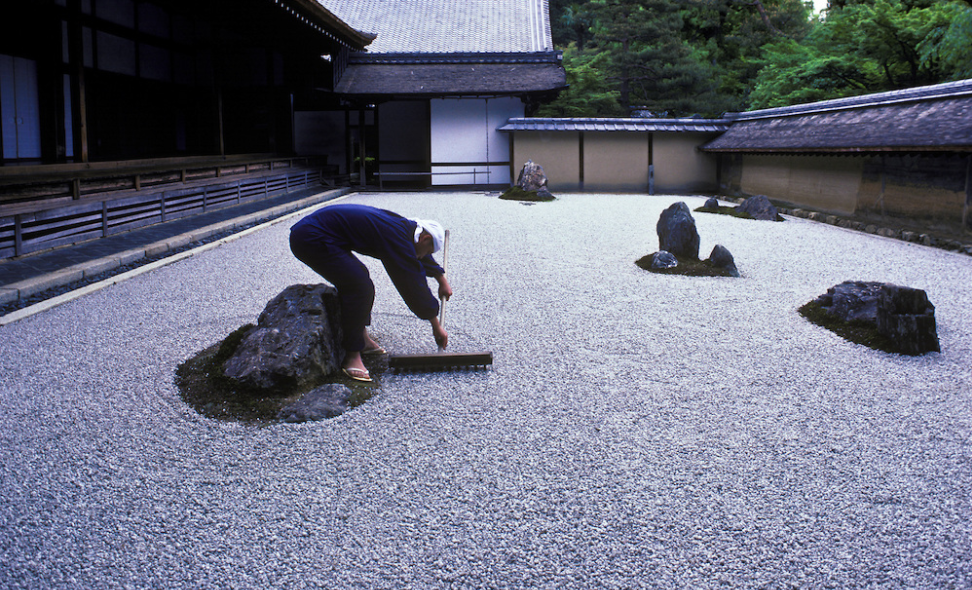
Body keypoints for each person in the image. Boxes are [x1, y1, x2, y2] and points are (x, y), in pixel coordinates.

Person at [289, 203, 452, 382]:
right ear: (424, 238)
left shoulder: (404, 229)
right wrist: (436, 326)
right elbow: (413, 284)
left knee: (359, 277)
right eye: (428, 251)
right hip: (310, 237)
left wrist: (441, 279)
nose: (423, 256)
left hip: (317, 231)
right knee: (358, 286)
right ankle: (352, 354)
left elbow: (416, 255)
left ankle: (361, 337)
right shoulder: (397, 238)